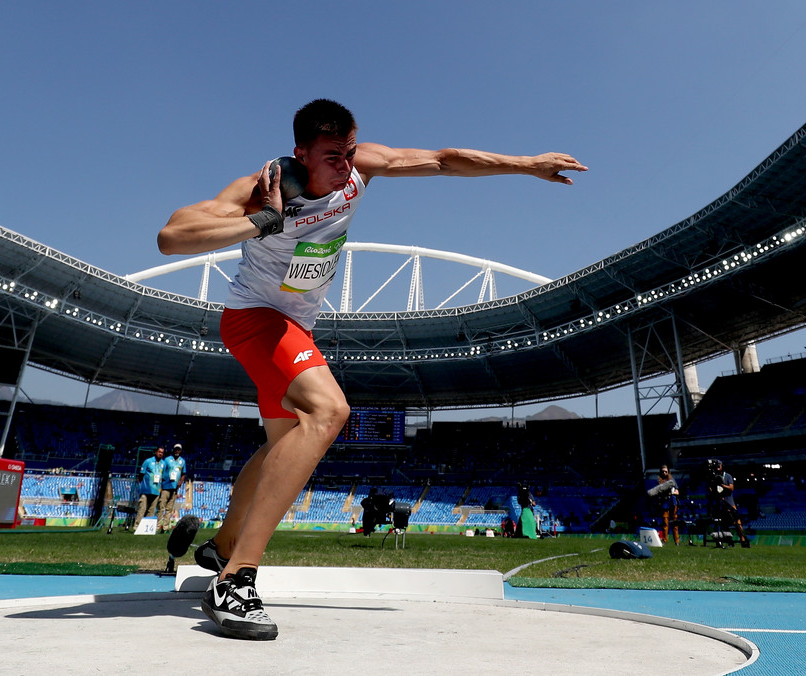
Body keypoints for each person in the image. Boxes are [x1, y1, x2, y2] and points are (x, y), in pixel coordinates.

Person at [158, 98, 585, 640]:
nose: (346, 163)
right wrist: (265, 220)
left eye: (351, 151)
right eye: (332, 154)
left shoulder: (361, 168)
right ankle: (236, 579)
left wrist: (527, 163)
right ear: (300, 153)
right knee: (330, 410)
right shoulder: (266, 185)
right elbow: (172, 235)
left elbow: (444, 160)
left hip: (294, 327)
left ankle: (219, 548)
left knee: (281, 446)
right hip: (255, 318)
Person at [707, 459, 750, 548]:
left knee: (737, 523)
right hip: (720, 504)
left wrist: (722, 486)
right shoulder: (713, 477)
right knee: (723, 524)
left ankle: (743, 540)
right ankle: (729, 541)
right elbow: (710, 489)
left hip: (729, 503)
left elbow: (731, 487)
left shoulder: (728, 476)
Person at [132, 446, 165, 532]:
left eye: (162, 452)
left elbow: (163, 477)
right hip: (146, 491)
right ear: (156, 452)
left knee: (151, 510)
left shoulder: (163, 464)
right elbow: (141, 475)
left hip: (156, 491)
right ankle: (136, 527)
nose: (160, 453)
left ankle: (146, 529)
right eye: (159, 452)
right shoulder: (148, 461)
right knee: (142, 509)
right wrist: (144, 485)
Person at [157, 443, 187, 532]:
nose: (177, 451)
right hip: (165, 486)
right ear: (173, 450)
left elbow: (183, 473)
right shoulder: (167, 460)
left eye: (179, 449)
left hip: (175, 488)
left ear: (181, 451)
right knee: (161, 507)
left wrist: (180, 482)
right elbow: (161, 471)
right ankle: (157, 526)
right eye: (176, 449)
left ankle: (165, 527)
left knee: (169, 509)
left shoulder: (182, 461)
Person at [657, 465, 681, 545]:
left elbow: (677, 491)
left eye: (666, 471)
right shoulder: (659, 481)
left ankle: (677, 541)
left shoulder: (672, 480)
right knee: (665, 522)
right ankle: (665, 540)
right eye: (663, 471)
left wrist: (672, 493)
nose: (664, 473)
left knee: (674, 522)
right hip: (664, 503)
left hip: (673, 502)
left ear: (668, 472)